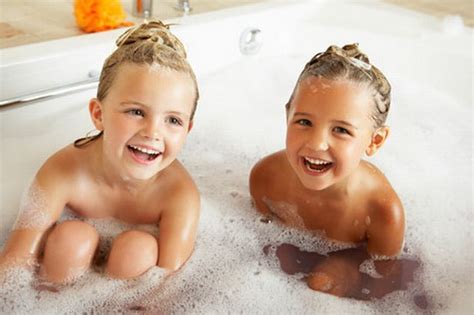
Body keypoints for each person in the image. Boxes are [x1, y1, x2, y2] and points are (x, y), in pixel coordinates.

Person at [0, 20, 200, 283]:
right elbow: (16, 259)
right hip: (63, 273)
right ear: (98, 114)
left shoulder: (179, 196)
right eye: (136, 112)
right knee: (72, 238)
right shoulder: (65, 171)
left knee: (138, 250)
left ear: (188, 129)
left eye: (173, 120)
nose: (153, 132)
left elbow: (169, 285)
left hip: (131, 287)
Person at [249, 43, 405, 297]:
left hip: (355, 258)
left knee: (321, 282)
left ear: (374, 141)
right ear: (287, 116)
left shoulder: (383, 212)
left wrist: (352, 263)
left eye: (341, 130)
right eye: (304, 122)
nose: (316, 143)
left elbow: (384, 280)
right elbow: (257, 242)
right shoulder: (265, 178)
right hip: (288, 252)